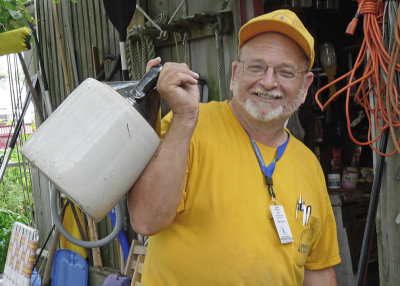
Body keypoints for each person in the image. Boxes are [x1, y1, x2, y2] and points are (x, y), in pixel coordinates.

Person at [128, 9, 341, 286]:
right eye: (256, 67)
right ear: (235, 74)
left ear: (304, 87)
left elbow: (318, 270)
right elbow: (146, 220)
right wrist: (184, 118)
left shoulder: (309, 165)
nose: (268, 82)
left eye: (285, 72)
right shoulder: (190, 126)